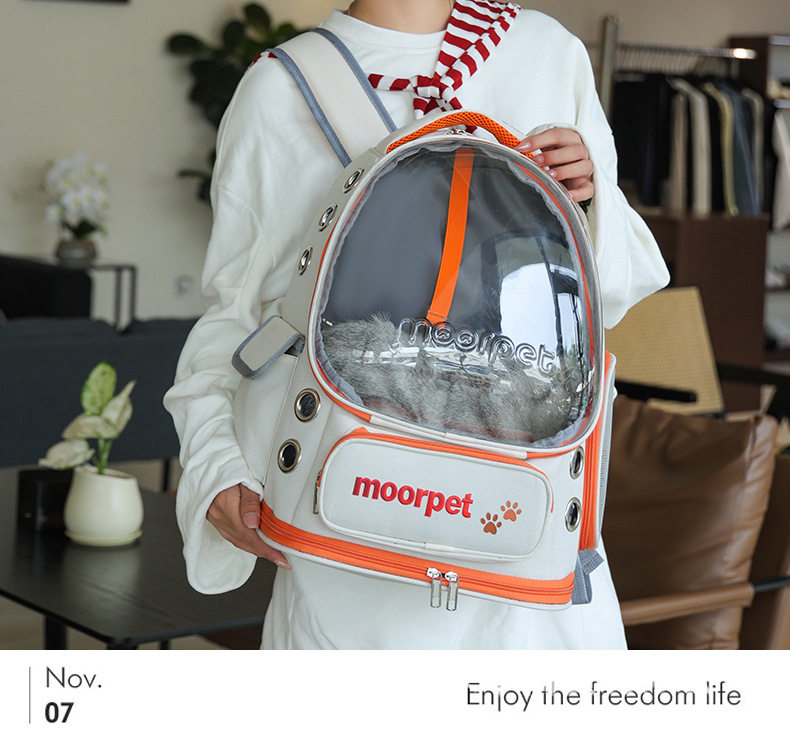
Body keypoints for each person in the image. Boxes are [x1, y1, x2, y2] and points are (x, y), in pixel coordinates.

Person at [164, 0, 669, 649]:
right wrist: (214, 467)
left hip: (525, 542)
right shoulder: (281, 86)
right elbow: (235, 317)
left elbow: (608, 298)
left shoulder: (547, 53)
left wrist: (592, 200)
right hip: (345, 542)